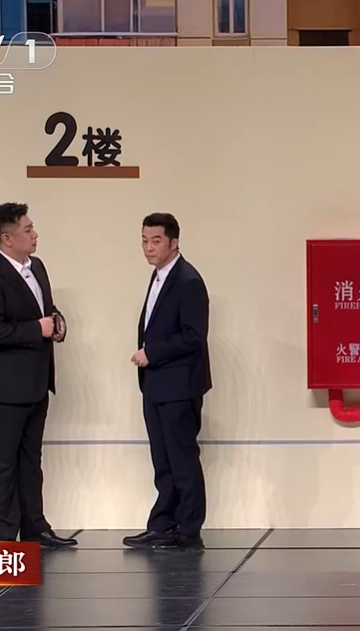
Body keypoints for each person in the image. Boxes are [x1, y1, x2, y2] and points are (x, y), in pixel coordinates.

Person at [0, 202, 76, 548]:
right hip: (2, 390)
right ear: (7, 238)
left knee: (31, 461)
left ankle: (35, 529)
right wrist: (36, 329)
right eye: (28, 229)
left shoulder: (37, 267)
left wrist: (56, 323)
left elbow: (44, 310)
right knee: (2, 466)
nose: (35, 234)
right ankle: (5, 537)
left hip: (35, 384)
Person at [123, 213, 211, 549]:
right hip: (156, 385)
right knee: (163, 461)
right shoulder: (158, 276)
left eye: (156, 241)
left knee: (182, 458)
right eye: (144, 241)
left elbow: (193, 336)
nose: (149, 247)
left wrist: (152, 353)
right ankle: (163, 523)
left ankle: (188, 529)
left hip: (179, 386)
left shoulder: (188, 280)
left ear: (174, 242)